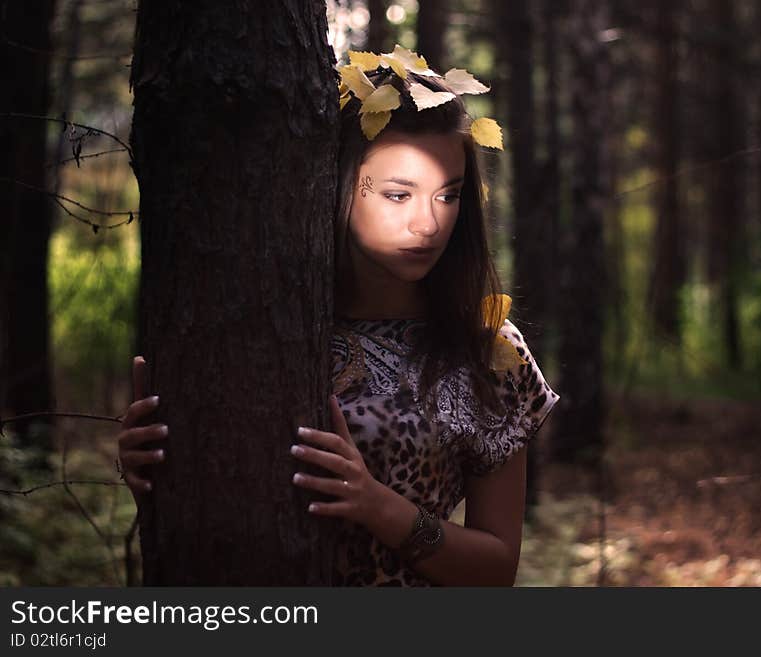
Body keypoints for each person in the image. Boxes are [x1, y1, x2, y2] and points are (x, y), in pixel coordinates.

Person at [117, 46, 560, 586]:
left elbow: (496, 571)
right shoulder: (260, 327)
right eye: (399, 195)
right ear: (339, 183)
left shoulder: (488, 350)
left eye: (448, 197)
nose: (428, 224)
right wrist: (158, 474)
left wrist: (380, 507)